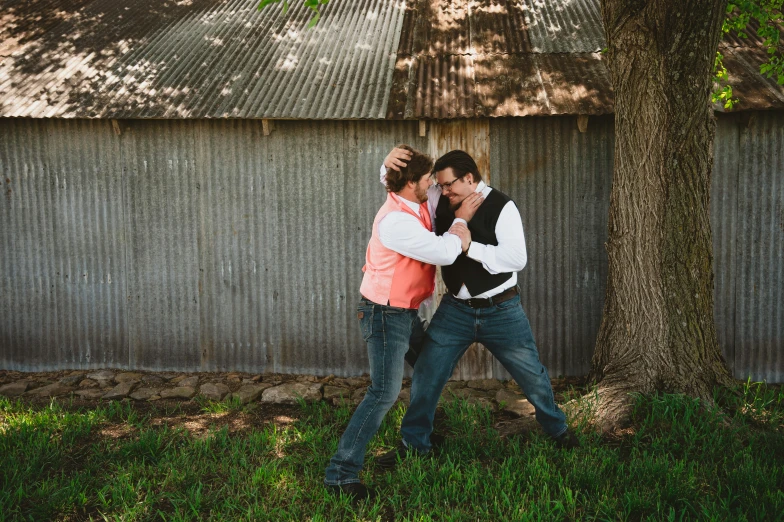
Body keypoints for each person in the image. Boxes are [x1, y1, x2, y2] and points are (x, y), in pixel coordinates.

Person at [375, 148, 579, 470]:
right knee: (427, 373)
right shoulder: (438, 198)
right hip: (455, 309)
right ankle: (415, 443)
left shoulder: (503, 206)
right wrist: (386, 166)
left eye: (448, 185)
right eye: (439, 186)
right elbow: (402, 186)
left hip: (502, 309)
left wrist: (470, 246)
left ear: (469, 178)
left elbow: (516, 259)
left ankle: (558, 430)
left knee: (532, 375)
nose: (442, 191)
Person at [324, 145, 476, 502]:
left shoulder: (412, 199)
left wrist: (386, 163)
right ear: (411, 183)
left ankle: (418, 439)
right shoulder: (396, 221)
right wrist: (462, 223)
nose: (434, 186)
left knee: (433, 366)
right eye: (428, 180)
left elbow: (391, 177)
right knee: (383, 392)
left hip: (404, 311)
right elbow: (442, 251)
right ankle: (340, 474)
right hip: (383, 313)